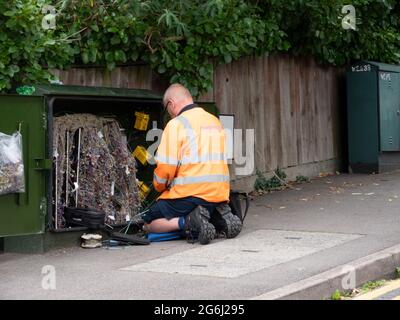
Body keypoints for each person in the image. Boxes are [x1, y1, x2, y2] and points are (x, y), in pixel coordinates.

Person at [142, 83, 242, 244]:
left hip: (190, 195)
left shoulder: (176, 125)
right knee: (203, 207)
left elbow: (165, 170)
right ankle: (218, 219)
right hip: (220, 194)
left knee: (148, 222)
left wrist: (159, 187)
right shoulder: (214, 120)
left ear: (171, 104)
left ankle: (188, 222)